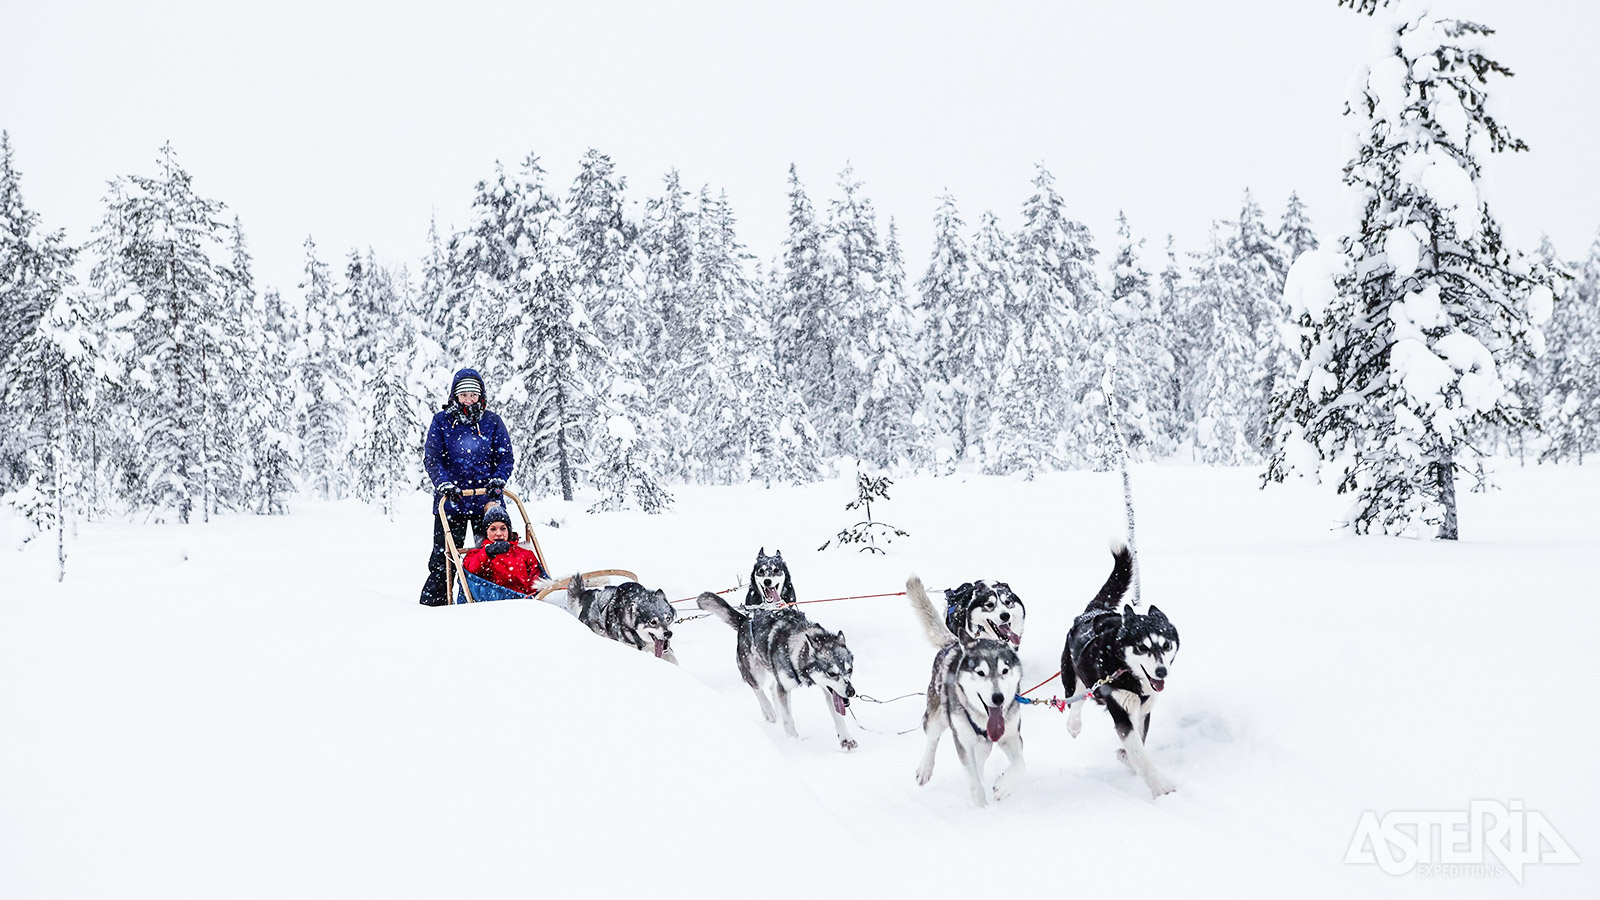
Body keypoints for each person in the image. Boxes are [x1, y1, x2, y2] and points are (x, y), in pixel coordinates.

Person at [418, 368, 515, 606]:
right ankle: (434, 607)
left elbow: (505, 457)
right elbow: (433, 458)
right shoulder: (442, 422)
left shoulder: (492, 422)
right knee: (444, 560)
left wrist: (498, 480)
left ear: (480, 396)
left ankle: (496, 600)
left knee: (494, 554)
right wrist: (444, 484)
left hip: (487, 503)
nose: (469, 400)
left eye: (473, 395)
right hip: (452, 502)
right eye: (464, 395)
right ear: (455, 396)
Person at [462, 504, 546, 596]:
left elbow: (536, 582)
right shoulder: (475, 554)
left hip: (524, 602)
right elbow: (472, 569)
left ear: (508, 531)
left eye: (503, 528)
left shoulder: (526, 554)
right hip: (492, 602)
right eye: (493, 529)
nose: (498, 533)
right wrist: (487, 553)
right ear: (486, 532)